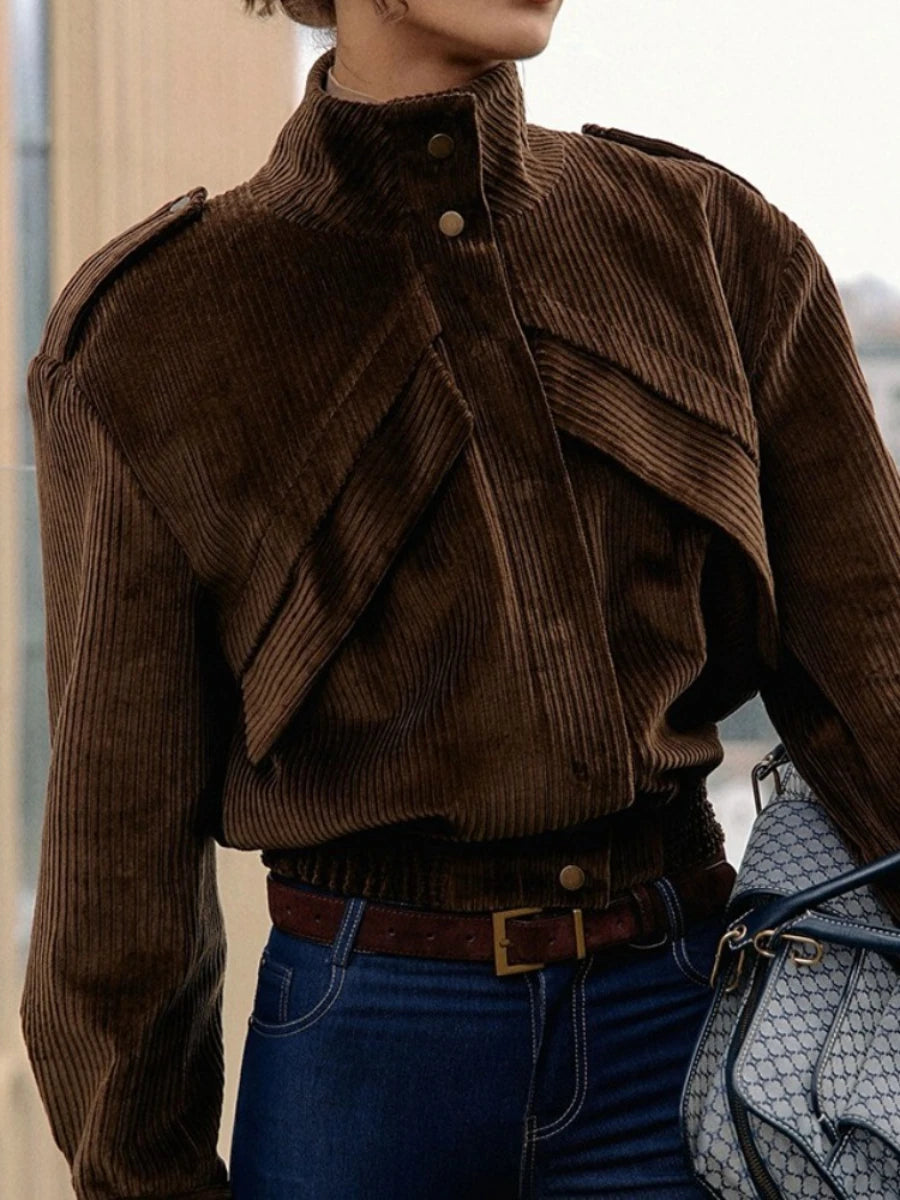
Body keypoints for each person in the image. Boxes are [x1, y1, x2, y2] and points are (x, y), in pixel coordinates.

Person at [19, 0, 900, 1197]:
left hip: (688, 1034)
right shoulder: (153, 336)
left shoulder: (714, 242)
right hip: (362, 1057)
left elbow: (878, 685)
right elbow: (118, 860)